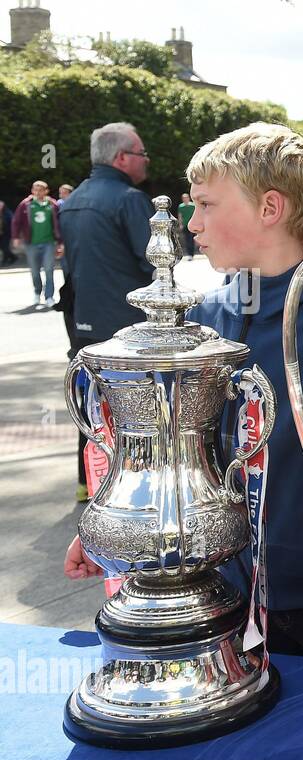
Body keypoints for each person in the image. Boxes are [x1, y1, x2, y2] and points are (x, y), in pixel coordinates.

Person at [66, 122, 303, 664]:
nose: (193, 224)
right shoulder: (204, 319)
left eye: (207, 205)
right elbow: (168, 447)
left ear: (269, 208)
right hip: (219, 588)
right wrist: (115, 526)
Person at [59, 122, 155, 502]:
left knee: (92, 409)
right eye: (141, 154)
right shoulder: (129, 199)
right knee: (136, 412)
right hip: (127, 327)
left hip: (82, 322)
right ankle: (135, 488)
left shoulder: (74, 200)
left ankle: (89, 481)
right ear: (121, 158)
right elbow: (156, 266)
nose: (146, 161)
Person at [11, 180, 62, 308]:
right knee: (35, 271)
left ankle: (49, 295)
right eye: (36, 190)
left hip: (49, 242)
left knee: (49, 269)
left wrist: (61, 241)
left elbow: (59, 223)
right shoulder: (25, 205)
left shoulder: (52, 205)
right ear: (32, 191)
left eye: (41, 190)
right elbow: (16, 221)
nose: (38, 192)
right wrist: (16, 237)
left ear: (46, 191)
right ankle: (37, 292)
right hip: (31, 243)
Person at [177, 192, 196, 257]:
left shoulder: (193, 205)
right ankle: (189, 254)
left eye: (186, 198)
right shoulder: (181, 206)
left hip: (192, 225)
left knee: (192, 239)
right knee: (187, 239)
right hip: (185, 225)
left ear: (189, 198)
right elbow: (180, 216)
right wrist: (180, 224)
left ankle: (192, 253)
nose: (185, 199)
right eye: (184, 198)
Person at [0, 199, 14, 266]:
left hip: (6, 233)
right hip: (1, 234)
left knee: (5, 247)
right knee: (2, 247)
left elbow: (12, 223)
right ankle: (10, 258)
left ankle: (10, 258)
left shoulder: (7, 213)